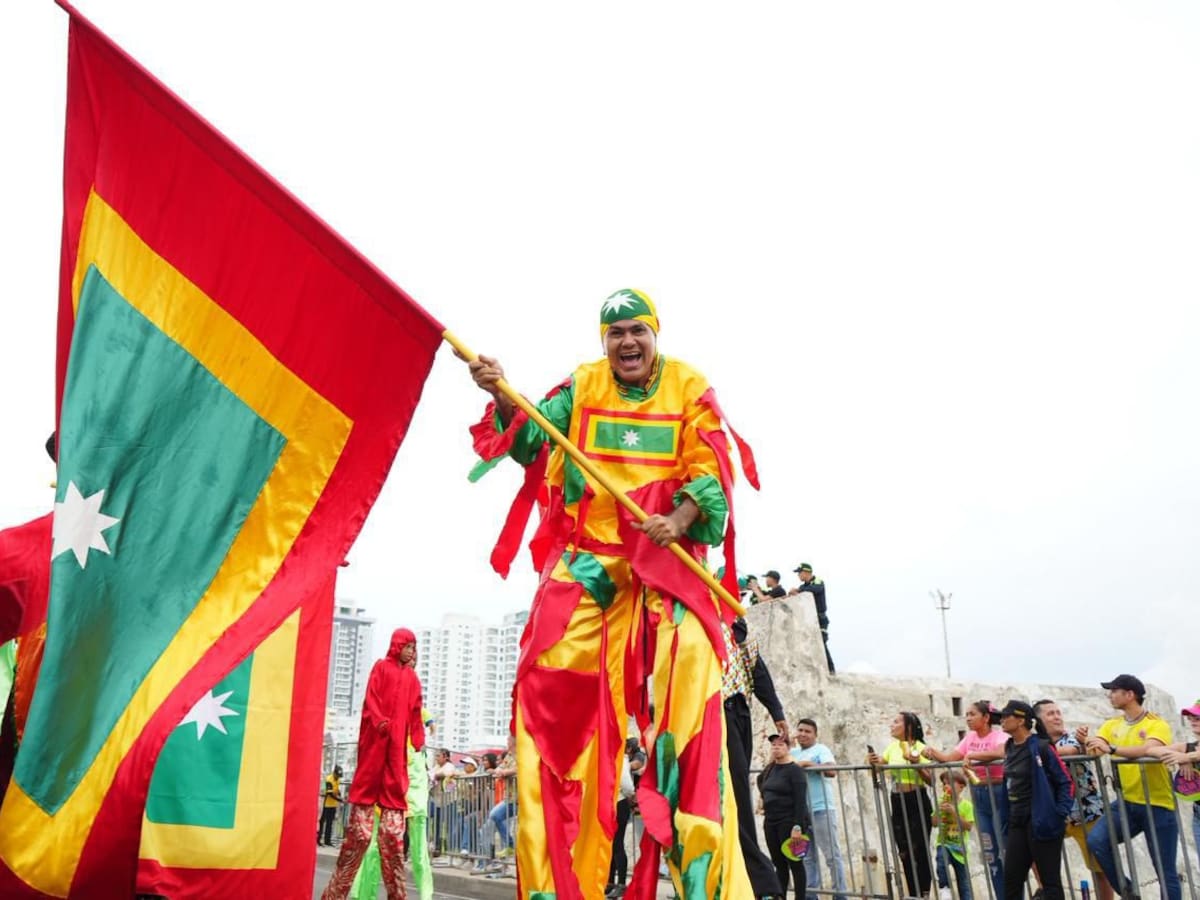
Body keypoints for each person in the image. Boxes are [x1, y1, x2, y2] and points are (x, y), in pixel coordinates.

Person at [465, 288, 757, 898]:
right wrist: (498, 390)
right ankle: (559, 884)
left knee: (690, 715)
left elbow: (710, 474)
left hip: (666, 569)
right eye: (615, 332)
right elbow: (530, 435)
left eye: (637, 331)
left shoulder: (688, 386)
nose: (627, 342)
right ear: (605, 341)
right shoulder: (584, 384)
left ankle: (706, 883)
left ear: (656, 335)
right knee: (550, 704)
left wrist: (676, 521)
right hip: (591, 570)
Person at [320, 629, 426, 900]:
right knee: (359, 835)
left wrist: (418, 737)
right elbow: (371, 700)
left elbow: (415, 711)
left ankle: (397, 896)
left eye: (415, 647)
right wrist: (379, 721)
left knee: (392, 836)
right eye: (408, 646)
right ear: (397, 645)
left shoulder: (413, 679)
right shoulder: (380, 668)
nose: (412, 652)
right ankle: (334, 895)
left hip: (394, 762)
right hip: (373, 755)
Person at [1080, 674, 1181, 900]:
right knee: (1096, 841)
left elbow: (1148, 749)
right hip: (1127, 802)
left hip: (1157, 805)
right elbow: (1097, 748)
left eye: (1114, 690)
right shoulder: (1111, 724)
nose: (1110, 695)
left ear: (1130, 694)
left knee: (1165, 872)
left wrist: (1112, 749)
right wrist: (1087, 741)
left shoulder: (1156, 724)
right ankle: (1128, 892)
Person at [723, 616, 789, 899]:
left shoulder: (741, 635)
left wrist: (777, 713)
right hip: (713, 712)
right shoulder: (696, 623)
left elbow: (759, 676)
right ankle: (759, 879)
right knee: (725, 794)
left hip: (737, 713)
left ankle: (756, 879)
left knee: (737, 794)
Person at [921, 700, 1008, 899]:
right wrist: (932, 752)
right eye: (966, 714)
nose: (967, 718)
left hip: (999, 792)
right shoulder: (969, 738)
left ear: (986, 718)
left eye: (972, 714)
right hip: (980, 794)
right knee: (990, 853)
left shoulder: (999, 736)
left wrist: (974, 755)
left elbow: (1002, 752)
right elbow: (949, 757)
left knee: (1006, 850)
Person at [1032, 699, 1112, 900]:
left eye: (1058, 712)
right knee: (1032, 852)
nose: (1057, 716)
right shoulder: (1034, 745)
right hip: (1056, 814)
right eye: (1050, 713)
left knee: (1100, 868)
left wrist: (1032, 753)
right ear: (1038, 720)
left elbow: (1073, 751)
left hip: (1086, 813)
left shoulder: (1073, 740)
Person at [997, 700, 1073, 900]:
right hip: (1017, 821)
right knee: (1012, 879)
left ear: (1021, 720)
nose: (1002, 721)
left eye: (1006, 716)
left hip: (1041, 820)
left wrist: (1060, 813)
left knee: (1050, 882)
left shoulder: (1042, 747)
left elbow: (1065, 781)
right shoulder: (1009, 746)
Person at [868, 711, 933, 899]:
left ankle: (924, 894)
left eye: (896, 722)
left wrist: (917, 765)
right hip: (897, 799)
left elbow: (931, 780)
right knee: (904, 851)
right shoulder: (892, 748)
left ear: (909, 727)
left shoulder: (922, 748)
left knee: (919, 849)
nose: (892, 724)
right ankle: (912, 894)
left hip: (916, 798)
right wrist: (873, 762)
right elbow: (880, 766)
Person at [791, 718, 849, 900]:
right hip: (800, 814)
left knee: (832, 856)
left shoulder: (821, 750)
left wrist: (808, 765)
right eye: (800, 730)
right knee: (806, 858)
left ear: (815, 735)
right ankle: (810, 896)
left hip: (821, 809)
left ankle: (840, 896)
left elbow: (832, 771)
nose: (803, 734)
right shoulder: (792, 753)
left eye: (807, 731)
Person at [758, 732, 812, 900]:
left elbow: (800, 800)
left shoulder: (795, 771)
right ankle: (780, 895)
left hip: (789, 821)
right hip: (771, 821)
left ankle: (800, 897)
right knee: (779, 863)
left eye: (780, 745)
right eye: (773, 745)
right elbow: (762, 784)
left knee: (795, 863)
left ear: (788, 748)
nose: (776, 747)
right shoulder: (769, 769)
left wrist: (797, 827)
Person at [1148, 699, 1200, 865]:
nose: (1192, 720)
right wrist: (1180, 758)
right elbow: (1151, 750)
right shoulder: (1188, 747)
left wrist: (1187, 757)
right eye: (1191, 717)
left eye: (1197, 717)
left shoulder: (1188, 752)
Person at [607, 737, 647, 897]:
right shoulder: (614, 758)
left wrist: (632, 797)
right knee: (611, 844)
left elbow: (627, 785)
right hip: (614, 803)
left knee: (617, 844)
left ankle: (621, 883)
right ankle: (610, 881)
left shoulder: (621, 760)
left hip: (620, 803)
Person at [933, 770, 974, 900]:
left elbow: (968, 826)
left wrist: (954, 812)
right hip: (944, 843)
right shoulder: (941, 802)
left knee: (964, 882)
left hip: (960, 849)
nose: (946, 786)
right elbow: (934, 823)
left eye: (950, 783)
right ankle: (945, 889)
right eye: (944, 784)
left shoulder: (967, 805)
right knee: (941, 862)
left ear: (961, 787)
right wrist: (939, 811)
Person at [788, 564, 833, 673]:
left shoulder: (817, 581)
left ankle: (831, 671)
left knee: (822, 643)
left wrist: (798, 591)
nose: (798, 575)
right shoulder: (803, 587)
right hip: (809, 620)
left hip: (820, 618)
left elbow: (816, 589)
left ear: (807, 572)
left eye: (800, 572)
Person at [319, 765, 345, 846]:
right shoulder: (328, 779)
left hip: (333, 805)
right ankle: (318, 839)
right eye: (337, 775)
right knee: (322, 822)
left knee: (330, 824)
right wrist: (340, 800)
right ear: (334, 773)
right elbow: (329, 793)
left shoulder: (338, 780)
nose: (338, 777)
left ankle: (327, 841)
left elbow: (336, 789)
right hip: (326, 804)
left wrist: (339, 793)